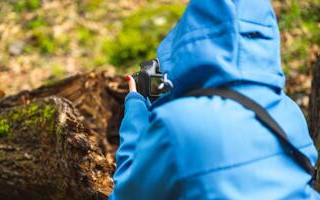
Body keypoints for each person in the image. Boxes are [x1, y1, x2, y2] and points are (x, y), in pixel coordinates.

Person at [109, 0, 319, 199]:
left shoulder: (176, 123)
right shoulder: (289, 110)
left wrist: (136, 106)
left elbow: (127, 194)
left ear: (191, 38)